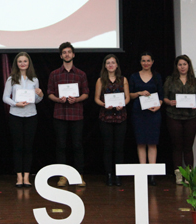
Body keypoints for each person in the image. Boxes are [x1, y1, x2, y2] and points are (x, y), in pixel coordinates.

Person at [47, 42, 89, 187]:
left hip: (76, 115)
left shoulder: (81, 74)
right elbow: (50, 93)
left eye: (69, 52)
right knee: (61, 146)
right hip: (60, 115)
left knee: (77, 145)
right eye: (64, 52)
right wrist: (57, 99)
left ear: (73, 54)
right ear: (61, 56)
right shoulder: (54, 74)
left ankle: (79, 176)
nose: (67, 54)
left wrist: (76, 99)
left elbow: (86, 93)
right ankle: (62, 176)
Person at [2, 52, 44, 188]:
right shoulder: (11, 79)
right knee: (18, 147)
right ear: (16, 63)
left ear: (29, 63)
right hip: (16, 115)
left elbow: (36, 100)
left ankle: (27, 177)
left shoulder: (34, 79)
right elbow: (5, 97)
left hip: (31, 115)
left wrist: (40, 95)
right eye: (20, 61)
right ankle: (19, 177)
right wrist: (16, 104)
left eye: (25, 61)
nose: (22, 63)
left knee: (28, 147)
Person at [163, 55, 196, 184]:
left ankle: (189, 175)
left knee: (188, 147)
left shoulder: (195, 81)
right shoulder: (170, 80)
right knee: (177, 146)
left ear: (188, 66)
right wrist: (170, 102)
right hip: (174, 116)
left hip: (190, 117)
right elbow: (164, 97)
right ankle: (178, 175)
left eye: (184, 64)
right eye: (180, 64)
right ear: (176, 66)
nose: (182, 67)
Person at [94, 54, 130, 186]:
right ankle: (109, 174)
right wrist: (104, 104)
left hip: (121, 117)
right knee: (108, 147)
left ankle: (118, 175)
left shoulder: (123, 79)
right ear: (105, 65)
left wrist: (123, 104)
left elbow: (127, 97)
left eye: (113, 62)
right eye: (108, 63)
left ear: (117, 65)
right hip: (106, 117)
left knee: (119, 147)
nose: (110, 65)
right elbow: (96, 98)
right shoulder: (100, 80)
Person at [129, 52, 163, 186]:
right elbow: (129, 95)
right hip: (138, 113)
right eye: (143, 61)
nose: (146, 63)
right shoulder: (134, 76)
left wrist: (158, 106)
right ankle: (143, 172)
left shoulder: (157, 76)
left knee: (152, 143)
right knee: (141, 142)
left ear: (152, 62)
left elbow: (161, 95)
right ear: (140, 62)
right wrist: (139, 93)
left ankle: (152, 174)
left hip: (153, 113)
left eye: (148, 60)